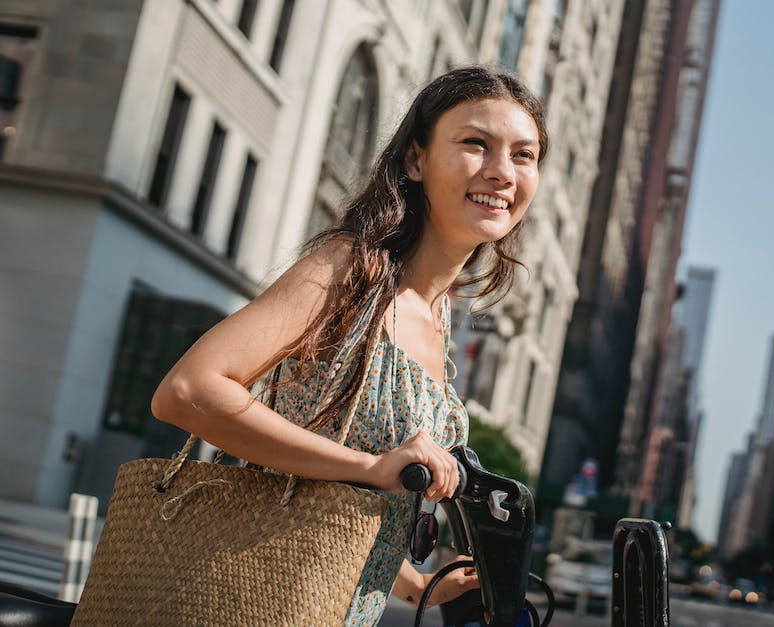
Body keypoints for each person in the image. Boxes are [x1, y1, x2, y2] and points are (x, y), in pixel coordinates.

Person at [151, 65, 548, 624]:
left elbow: (337, 508)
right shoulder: (350, 269)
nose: (502, 172)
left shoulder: (440, 313)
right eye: (475, 144)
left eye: (523, 155)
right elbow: (186, 391)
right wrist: (369, 465)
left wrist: (419, 587)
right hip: (240, 602)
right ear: (415, 161)